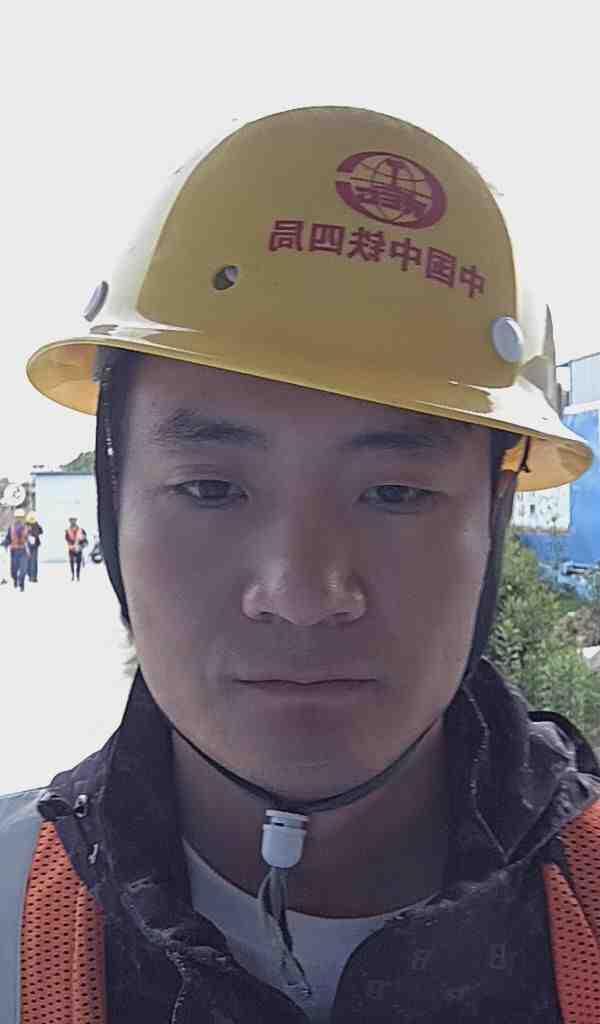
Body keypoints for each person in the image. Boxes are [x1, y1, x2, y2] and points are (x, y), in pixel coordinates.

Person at [1, 108, 599, 1022]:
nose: (303, 596)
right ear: (115, 506)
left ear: (496, 513)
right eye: (210, 489)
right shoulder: (15, 913)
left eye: (395, 493)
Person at [1, 508, 29, 591]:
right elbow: (8, 539)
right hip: (14, 552)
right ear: (15, 518)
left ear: (23, 518)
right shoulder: (11, 528)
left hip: (24, 551)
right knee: (14, 571)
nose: (19, 519)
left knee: (23, 569)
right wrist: (4, 544)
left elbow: (31, 539)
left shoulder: (27, 528)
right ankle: (15, 579)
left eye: (21, 517)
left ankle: (21, 583)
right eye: (17, 517)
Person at [65, 515, 87, 581]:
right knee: (71, 562)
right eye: (71, 521)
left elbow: (85, 540)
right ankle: (73, 575)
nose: (72, 522)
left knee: (78, 563)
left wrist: (81, 545)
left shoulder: (81, 530)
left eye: (73, 520)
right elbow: (67, 539)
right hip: (71, 549)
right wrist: (71, 544)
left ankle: (78, 576)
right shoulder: (68, 530)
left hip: (78, 548)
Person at [24, 511, 43, 582]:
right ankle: (32, 576)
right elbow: (41, 531)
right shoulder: (30, 525)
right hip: (30, 545)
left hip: (32, 545)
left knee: (31, 561)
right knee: (32, 561)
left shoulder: (34, 524)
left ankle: (32, 577)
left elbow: (41, 531)